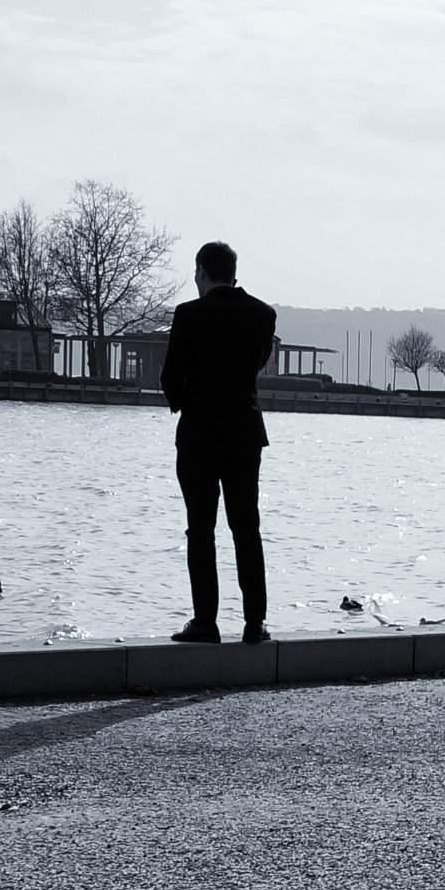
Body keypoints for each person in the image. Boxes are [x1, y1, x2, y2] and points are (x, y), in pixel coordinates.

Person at [162, 242, 278, 644]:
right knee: (247, 527)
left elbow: (170, 377)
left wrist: (185, 401)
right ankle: (254, 622)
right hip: (245, 433)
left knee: (201, 529)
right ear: (233, 273)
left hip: (199, 434)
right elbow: (256, 364)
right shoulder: (263, 315)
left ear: (201, 272)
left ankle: (205, 622)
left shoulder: (188, 315)